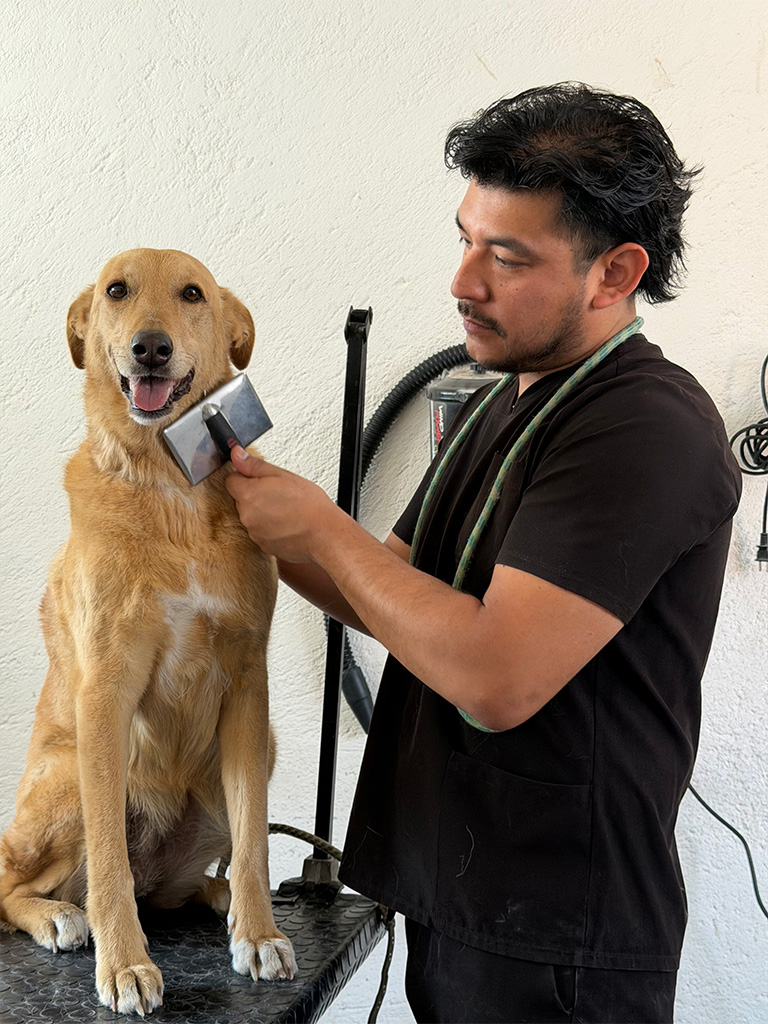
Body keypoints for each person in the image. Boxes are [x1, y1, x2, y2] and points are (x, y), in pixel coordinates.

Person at [226, 83, 742, 1023]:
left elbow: (496, 677)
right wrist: (234, 503)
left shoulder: (645, 425)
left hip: (560, 939)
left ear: (616, 272)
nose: (464, 282)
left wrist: (324, 529)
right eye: (466, 240)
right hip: (464, 904)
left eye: (506, 257)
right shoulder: (505, 395)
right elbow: (383, 587)